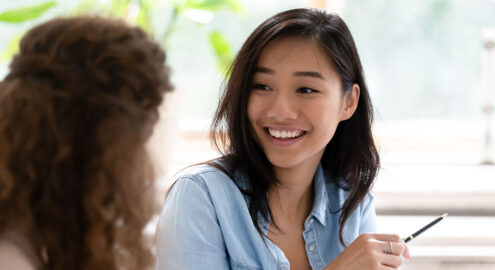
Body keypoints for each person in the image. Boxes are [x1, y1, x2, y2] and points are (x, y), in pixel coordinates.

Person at [156, 8, 410, 270]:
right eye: (262, 86)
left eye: (306, 89)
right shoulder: (200, 197)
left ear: (349, 102)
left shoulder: (352, 204)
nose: (280, 111)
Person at [0, 16, 173, 270]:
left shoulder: (38, 236)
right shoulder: (11, 258)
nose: (144, 164)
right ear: (98, 140)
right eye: (137, 142)